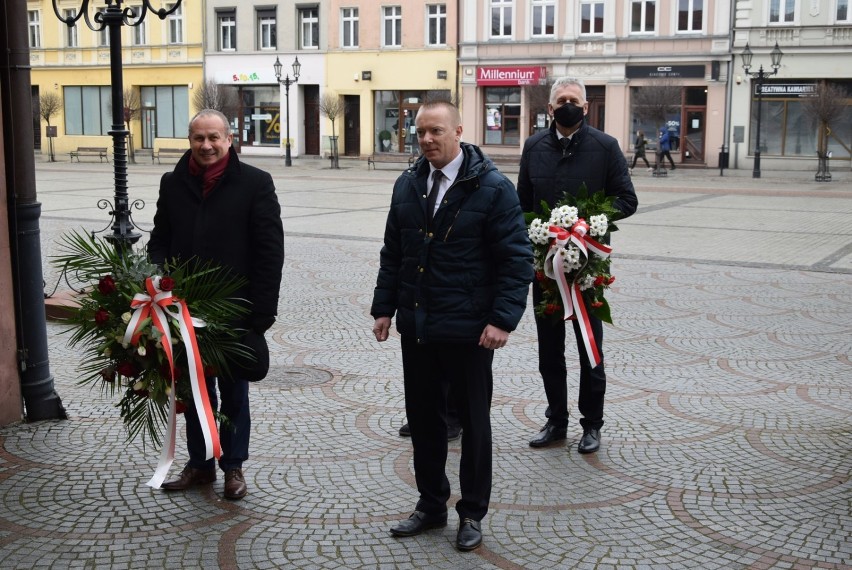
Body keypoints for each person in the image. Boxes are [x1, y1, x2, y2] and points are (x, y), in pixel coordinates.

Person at [371, 100, 532, 552]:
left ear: (458, 130)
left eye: (436, 131)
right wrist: (384, 309)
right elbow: (393, 253)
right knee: (425, 422)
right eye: (420, 132)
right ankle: (431, 504)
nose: (426, 140)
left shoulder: (493, 188)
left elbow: (517, 259)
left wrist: (503, 320)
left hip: (468, 331)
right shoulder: (408, 184)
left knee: (474, 427)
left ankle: (472, 512)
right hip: (418, 327)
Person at [147, 109, 284, 500]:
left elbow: (270, 251)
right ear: (190, 140)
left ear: (229, 139)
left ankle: (233, 466)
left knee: (234, 391)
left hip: (235, 310)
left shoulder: (256, 183)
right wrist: (158, 276)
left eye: (214, 138)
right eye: (198, 138)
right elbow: (160, 237)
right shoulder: (173, 183)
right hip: (184, 307)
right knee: (192, 390)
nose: (206, 146)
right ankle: (200, 464)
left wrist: (262, 311)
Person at [517, 77, 638, 455]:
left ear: (585, 107)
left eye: (574, 100)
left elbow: (627, 199)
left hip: (587, 269)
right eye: (561, 100)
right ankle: (556, 419)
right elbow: (521, 204)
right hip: (547, 268)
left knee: (589, 346)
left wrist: (590, 223)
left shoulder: (605, 147)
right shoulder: (534, 146)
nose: (567, 105)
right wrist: (537, 233)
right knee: (549, 350)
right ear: (550, 109)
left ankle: (592, 424)